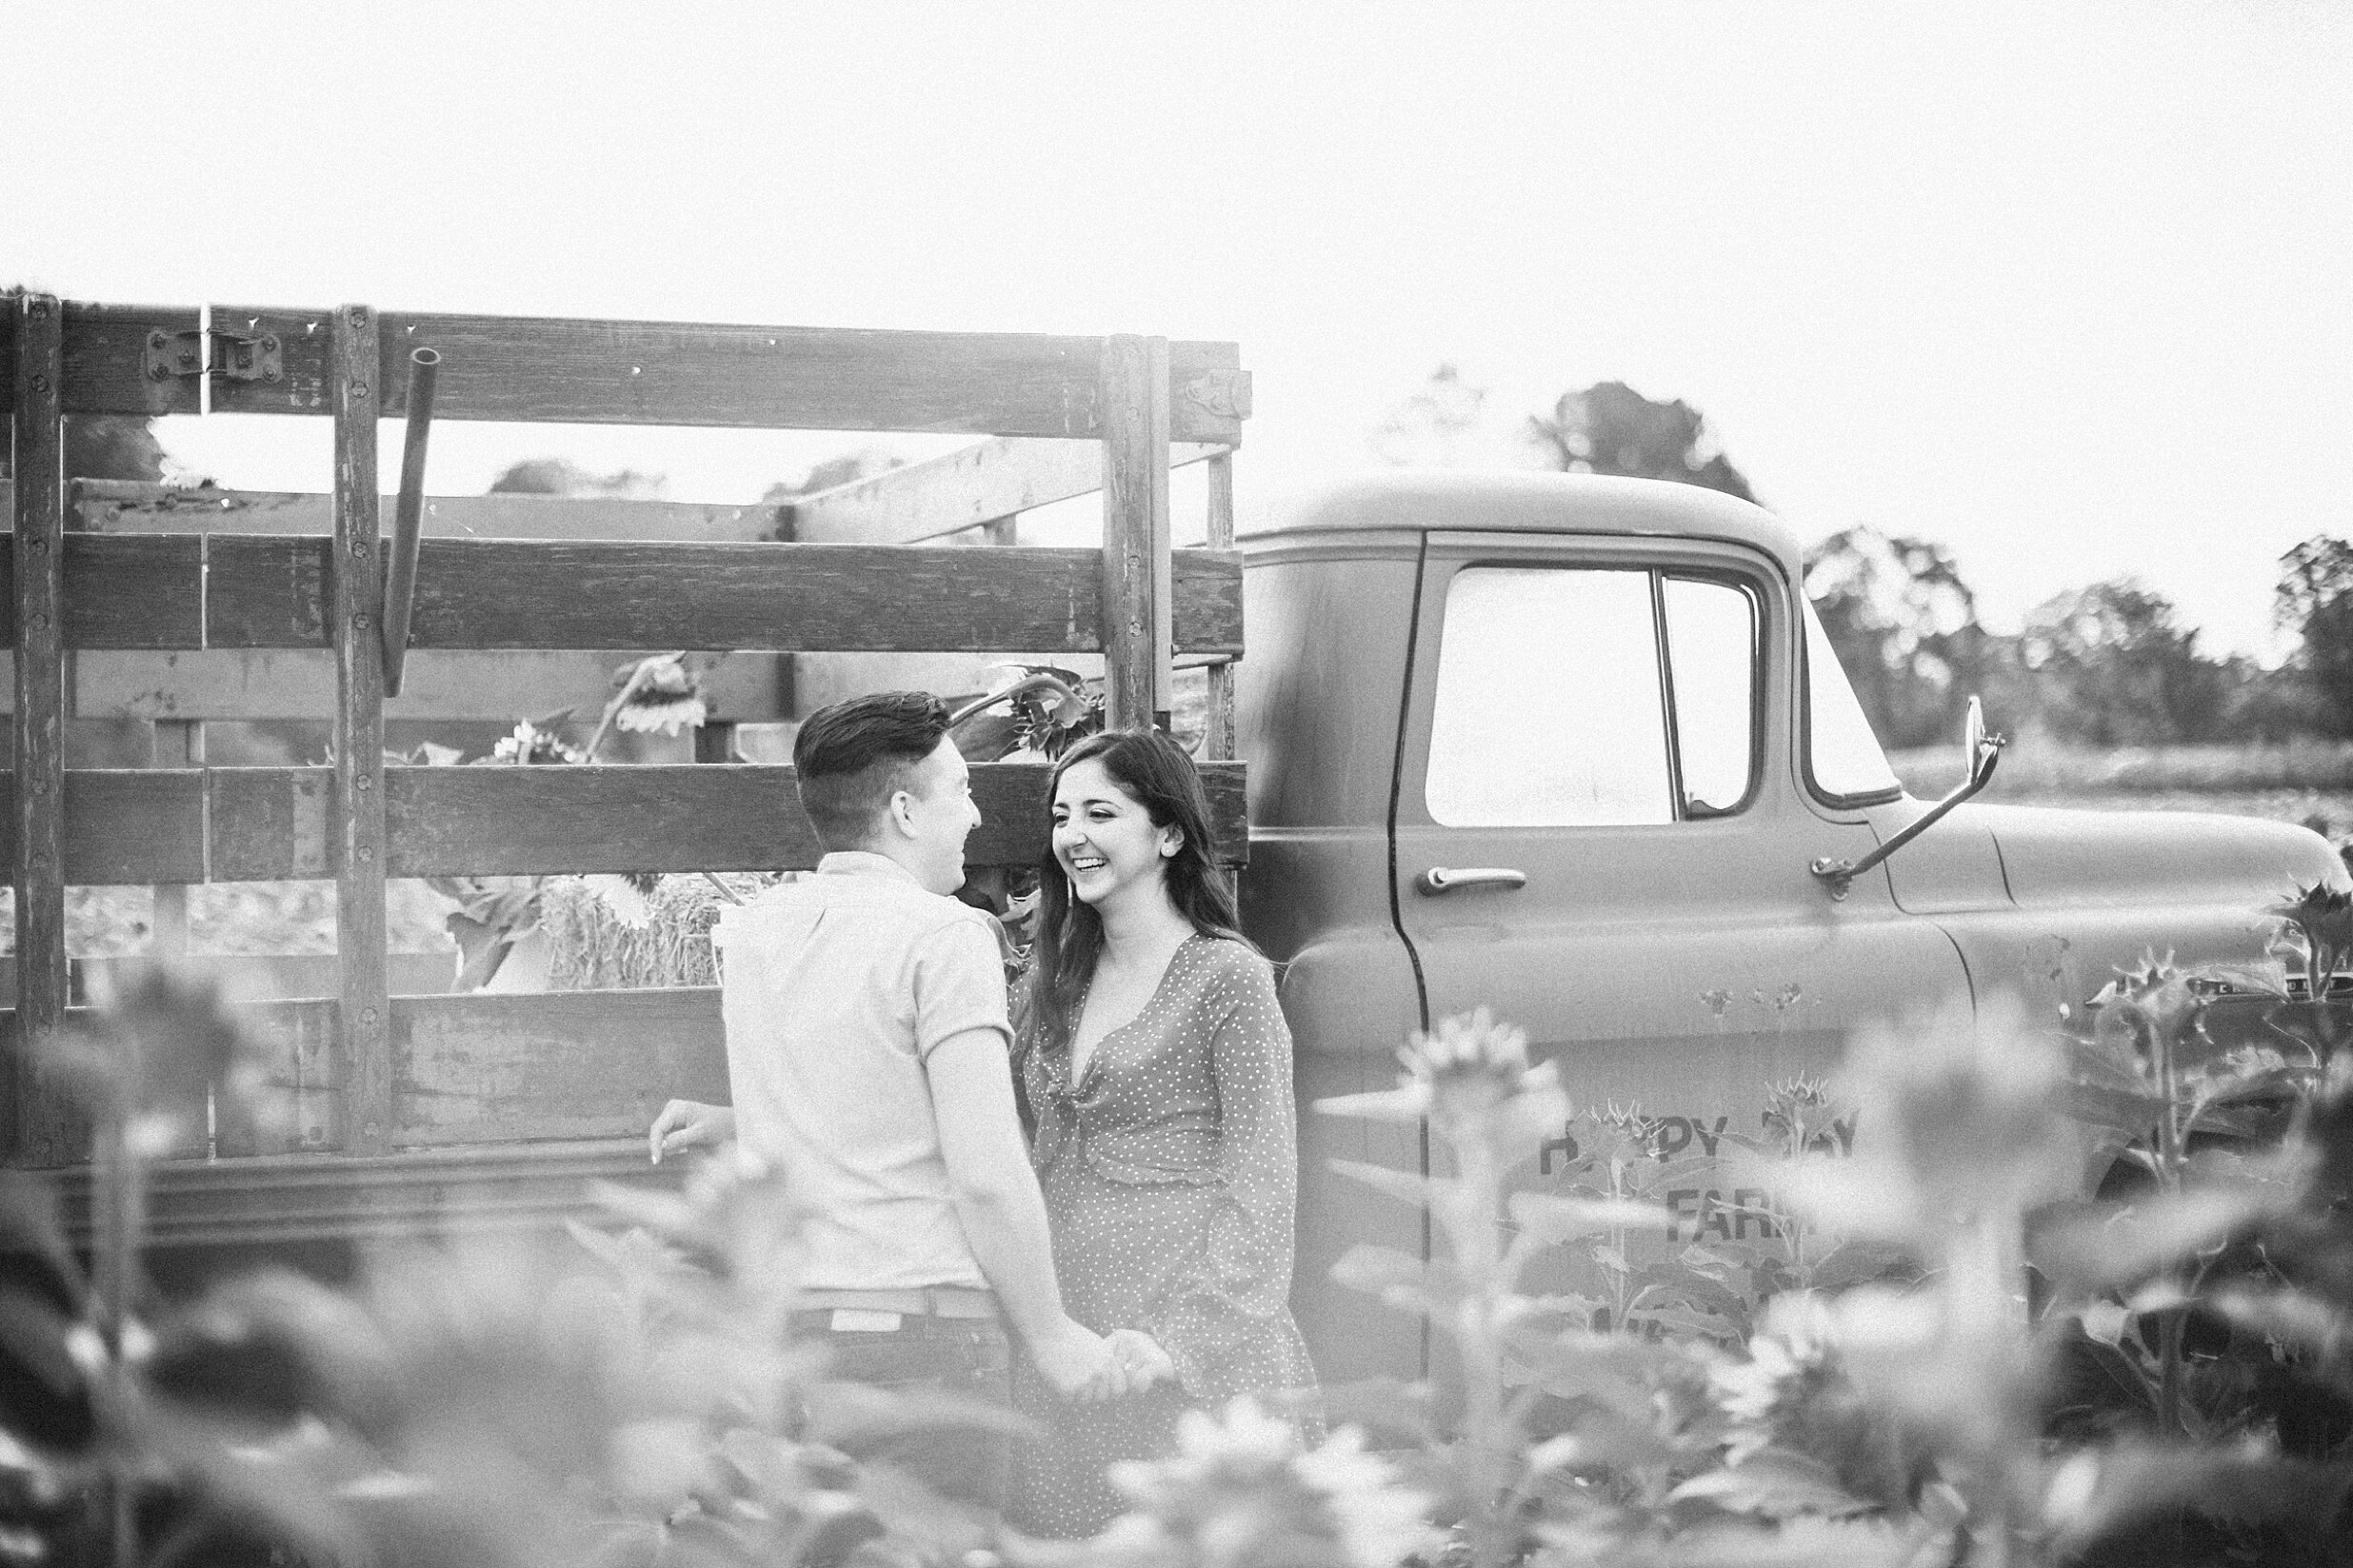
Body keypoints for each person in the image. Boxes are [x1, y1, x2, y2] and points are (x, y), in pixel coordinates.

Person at [646, 690, 1129, 1515]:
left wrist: (737, 1119)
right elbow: (983, 1170)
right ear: (905, 810)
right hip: (923, 1342)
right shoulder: (944, 936)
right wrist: (1050, 1333)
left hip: (793, 1340)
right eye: (962, 790)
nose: (975, 816)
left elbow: (849, 1084)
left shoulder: (755, 931)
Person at [1009, 727, 1322, 1537]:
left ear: (1169, 833)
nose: (1072, 834)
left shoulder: (1229, 980)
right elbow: (985, 1138)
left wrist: (1173, 1344)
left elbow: (1265, 1189)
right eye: (1060, 815)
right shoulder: (1054, 982)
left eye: (1100, 812)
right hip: (1073, 1346)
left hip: (1191, 1359)